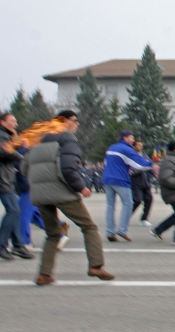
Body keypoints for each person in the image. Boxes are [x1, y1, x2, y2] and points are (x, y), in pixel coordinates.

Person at [22, 110, 114, 285]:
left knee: (52, 234)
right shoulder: (67, 138)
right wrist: (81, 187)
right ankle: (96, 265)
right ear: (63, 121)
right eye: (75, 120)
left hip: (40, 194)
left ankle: (44, 274)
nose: (77, 124)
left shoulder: (37, 139)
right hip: (61, 191)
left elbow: (24, 167)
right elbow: (68, 168)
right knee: (89, 227)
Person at [102, 130, 154, 242]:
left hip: (107, 179)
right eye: (131, 137)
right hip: (120, 180)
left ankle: (110, 232)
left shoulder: (111, 147)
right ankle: (122, 230)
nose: (133, 140)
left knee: (110, 206)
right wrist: (151, 165)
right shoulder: (126, 149)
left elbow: (105, 163)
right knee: (128, 203)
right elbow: (138, 163)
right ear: (125, 138)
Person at [0, 113, 32, 260]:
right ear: (3, 122)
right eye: (12, 121)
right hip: (2, 180)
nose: (15, 124)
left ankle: (18, 245)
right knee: (13, 210)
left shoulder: (6, 135)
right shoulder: (2, 135)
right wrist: (21, 154)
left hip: (6, 178)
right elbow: (4, 152)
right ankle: (2, 245)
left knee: (16, 211)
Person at [130, 139, 154, 227]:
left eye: (141, 145)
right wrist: (139, 168)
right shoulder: (132, 156)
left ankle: (144, 219)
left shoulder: (144, 155)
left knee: (149, 199)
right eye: (138, 145)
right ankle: (127, 216)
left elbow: (149, 165)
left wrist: (154, 173)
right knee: (138, 200)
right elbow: (132, 169)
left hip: (145, 182)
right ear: (134, 146)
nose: (141, 147)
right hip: (136, 182)